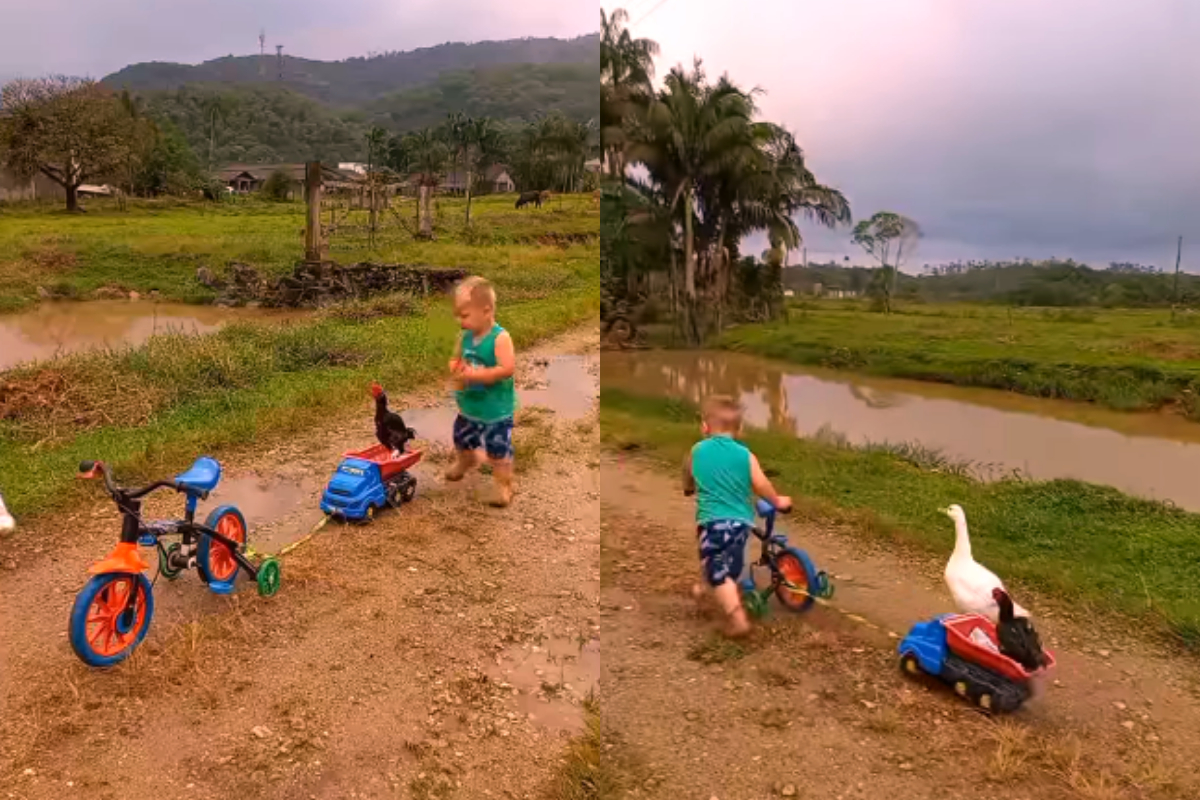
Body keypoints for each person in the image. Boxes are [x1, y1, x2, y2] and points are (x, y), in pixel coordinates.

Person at [683, 395, 792, 637]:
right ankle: (704, 588)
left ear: (704, 428)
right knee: (724, 563)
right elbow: (761, 483)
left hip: (712, 522)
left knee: (717, 569)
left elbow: (688, 473)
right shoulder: (746, 455)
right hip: (741, 523)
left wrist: (688, 487)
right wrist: (777, 500)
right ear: (740, 428)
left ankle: (738, 620)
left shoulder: (697, 450)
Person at [445, 276, 517, 507]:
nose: (460, 321)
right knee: (462, 438)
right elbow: (455, 359)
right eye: (458, 316)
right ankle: (466, 461)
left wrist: (476, 375)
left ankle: (504, 486)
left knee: (498, 451)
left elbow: (507, 369)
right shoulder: (463, 337)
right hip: (469, 407)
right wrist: (455, 367)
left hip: (496, 410)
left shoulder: (500, 338)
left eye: (464, 315)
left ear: (486, 311)